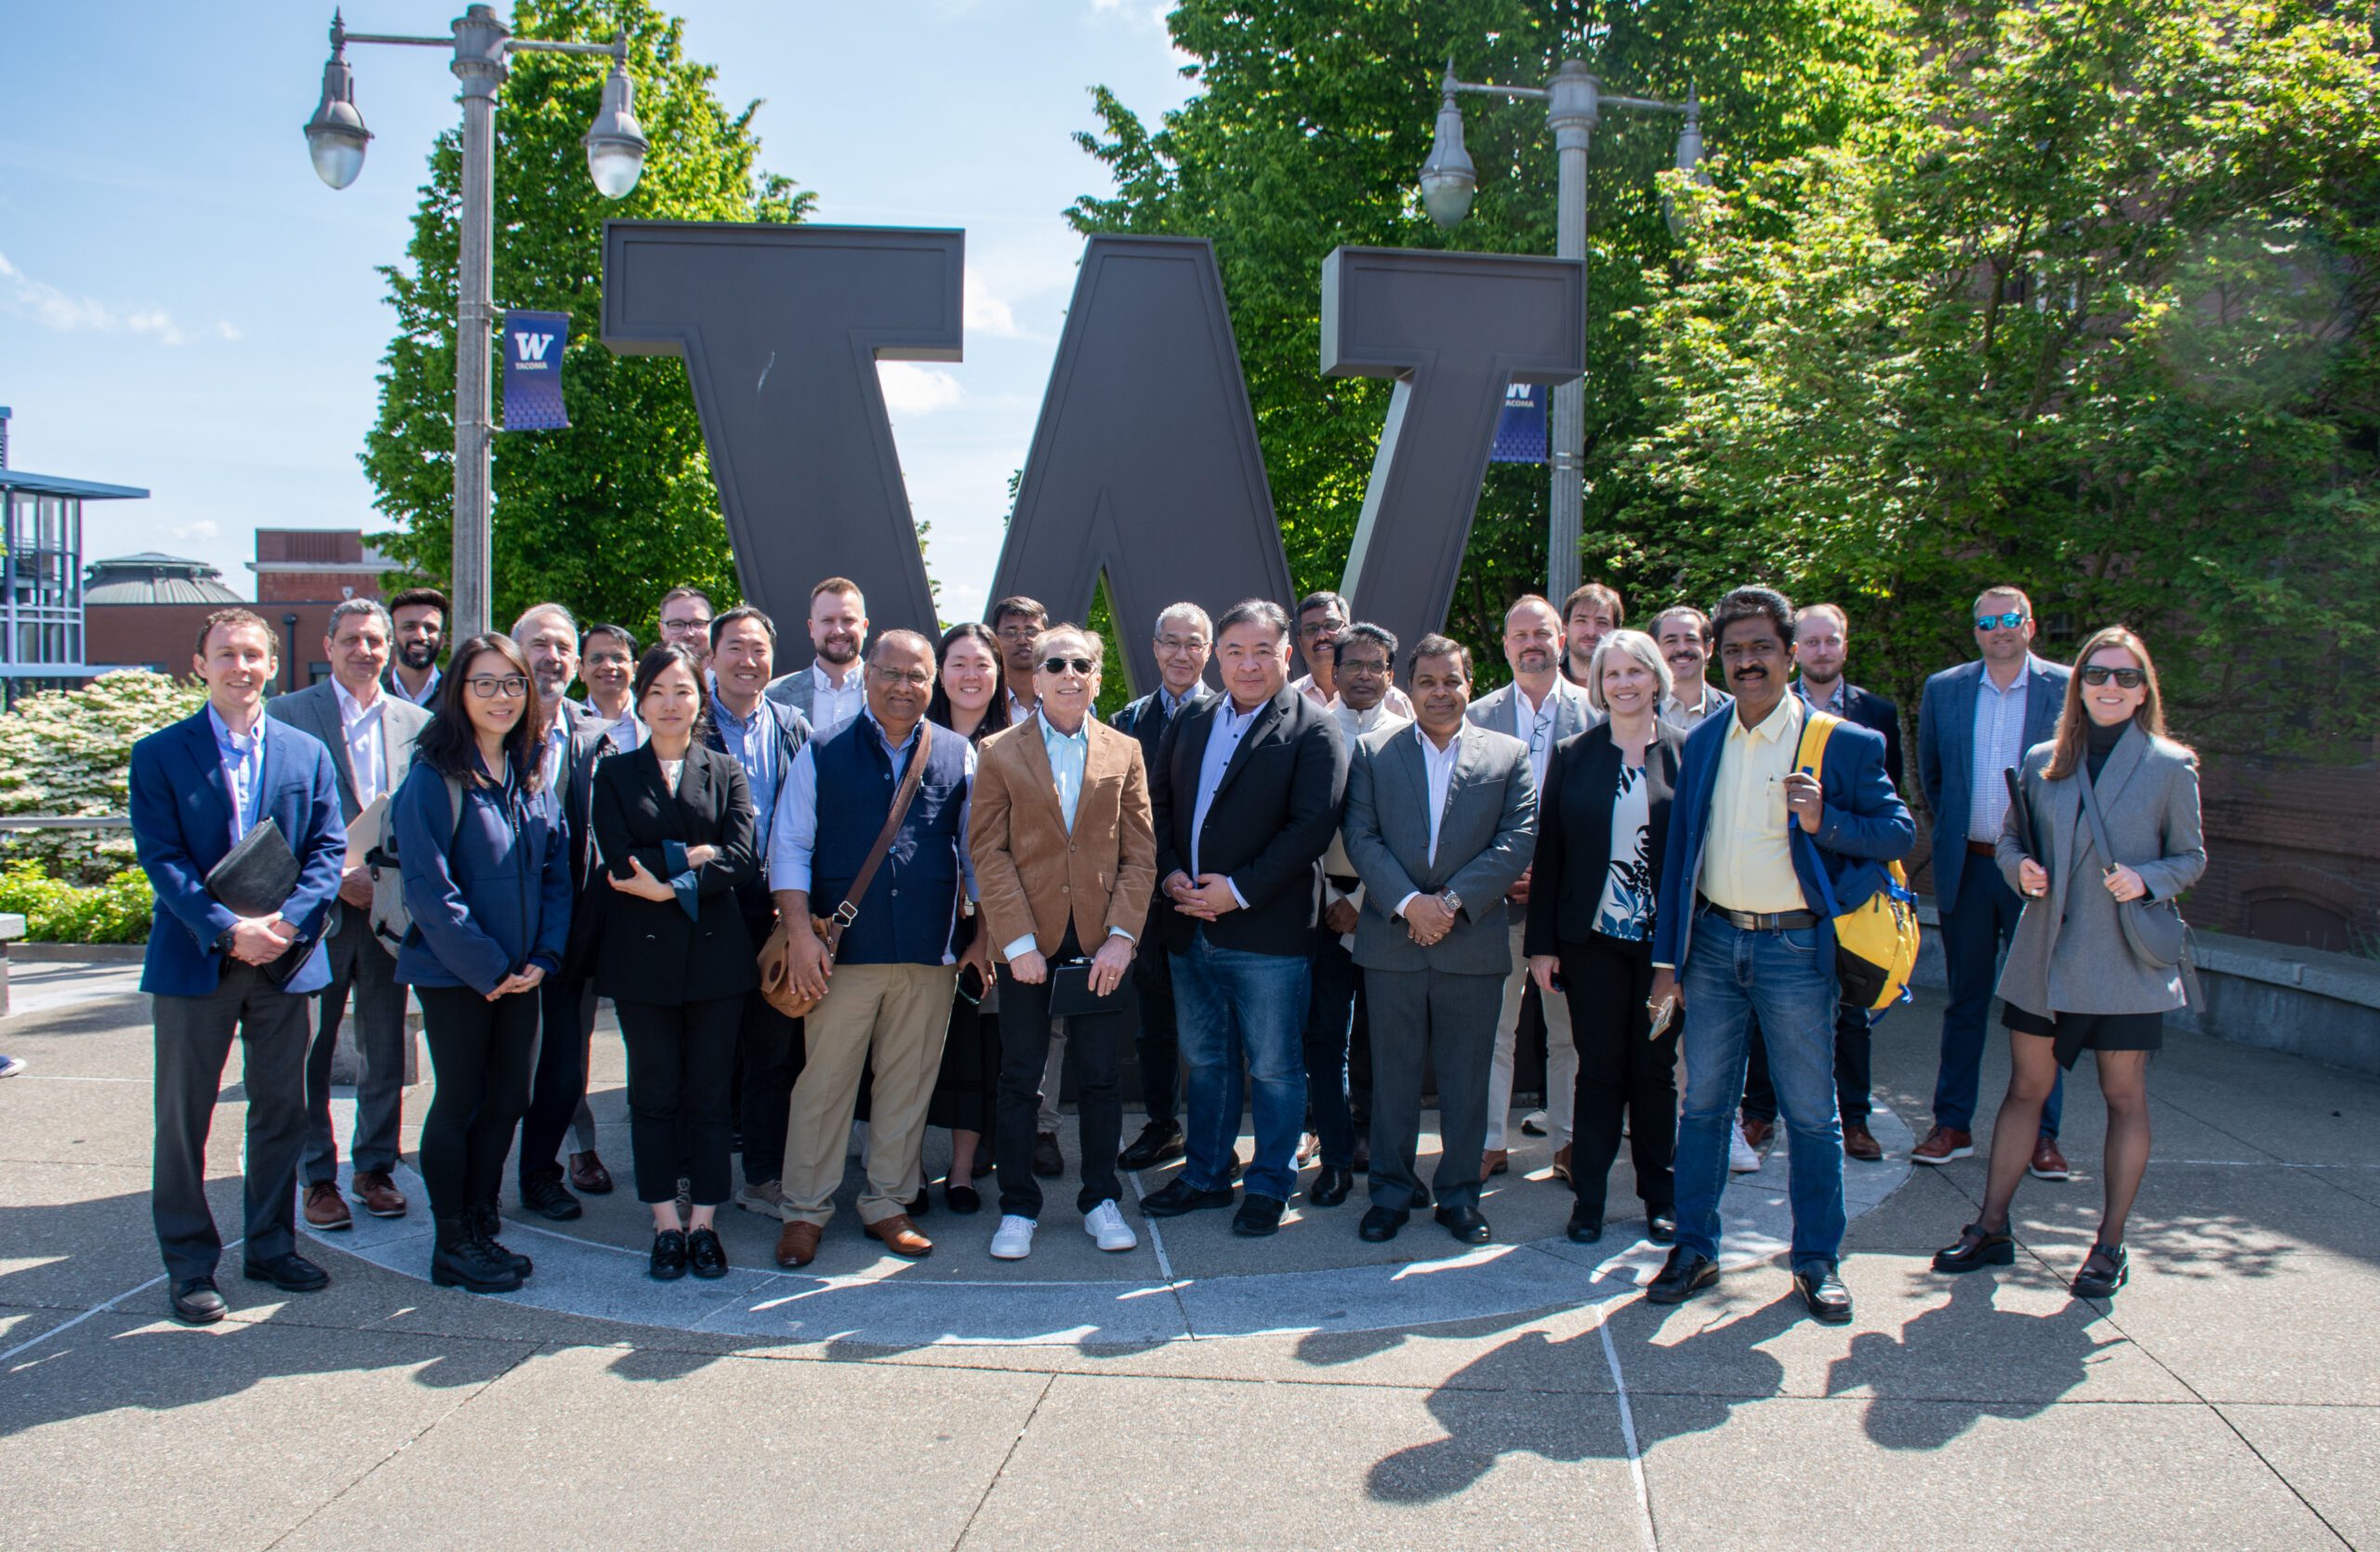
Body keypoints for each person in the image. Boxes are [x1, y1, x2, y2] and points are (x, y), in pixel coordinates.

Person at [1644, 587, 1913, 1325]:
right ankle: (1695, 1248)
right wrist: (1669, 961)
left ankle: (1817, 1261)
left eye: (1761, 647)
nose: (1746, 662)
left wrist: (1826, 818)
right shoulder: (1701, 741)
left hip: (1798, 947)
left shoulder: (1843, 742)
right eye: (1733, 650)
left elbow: (1897, 833)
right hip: (1715, 942)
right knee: (1703, 1108)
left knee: (1809, 1113)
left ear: (1791, 654)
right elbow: (1680, 862)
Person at [1934, 627, 2203, 1298]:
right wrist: (2019, 866)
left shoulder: (2171, 765)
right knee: (2025, 1089)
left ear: (2145, 690)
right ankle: (1992, 1226)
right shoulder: (2044, 758)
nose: (2111, 687)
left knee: (2123, 1096)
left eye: (2127, 676)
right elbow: (2012, 836)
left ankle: (2109, 1245)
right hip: (2045, 953)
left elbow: (2191, 858)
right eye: (2098, 674)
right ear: (2079, 683)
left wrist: (2145, 879)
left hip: (2123, 962)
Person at [132, 609, 348, 1324]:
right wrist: (229, 929)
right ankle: (191, 1264)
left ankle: (271, 1244)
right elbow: (162, 860)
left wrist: (286, 925)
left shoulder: (304, 753)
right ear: (200, 664)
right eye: (226, 654)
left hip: (286, 963)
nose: (241, 666)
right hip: (198, 961)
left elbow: (326, 848)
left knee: (283, 1109)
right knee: (184, 1117)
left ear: (271, 663)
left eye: (253, 654)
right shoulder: (159, 753)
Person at [767, 630, 989, 1267]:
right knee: (825, 1084)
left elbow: (976, 855)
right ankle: (805, 1212)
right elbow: (789, 847)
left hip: (929, 950)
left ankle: (888, 1204)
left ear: (933, 683)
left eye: (917, 676)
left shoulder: (957, 753)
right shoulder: (824, 750)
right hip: (842, 954)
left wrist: (981, 939)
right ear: (867, 676)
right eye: (890, 673)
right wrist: (801, 935)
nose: (903, 686)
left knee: (908, 1083)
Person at [1140, 600, 1349, 1238]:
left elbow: (1311, 827)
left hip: (1267, 932)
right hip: (1188, 922)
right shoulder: (1193, 719)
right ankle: (1205, 1174)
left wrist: (1239, 890)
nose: (1248, 663)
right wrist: (1170, 869)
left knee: (1275, 1066)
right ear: (1217, 656)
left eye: (1263, 650)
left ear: (1286, 654)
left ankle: (1269, 1183)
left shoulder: (1314, 728)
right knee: (1205, 1060)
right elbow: (1160, 801)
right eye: (1235, 650)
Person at [393, 631, 572, 1295]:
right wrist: (490, 968)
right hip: (458, 974)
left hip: (525, 973)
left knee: (510, 1098)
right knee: (462, 1100)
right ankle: (452, 1241)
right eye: (485, 683)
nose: (502, 697)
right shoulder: (433, 777)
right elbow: (430, 891)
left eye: (513, 683)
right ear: (457, 692)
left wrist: (544, 957)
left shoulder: (529, 772)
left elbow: (556, 871)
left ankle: (479, 1217)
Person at [1341, 634, 1534, 1245]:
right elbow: (1362, 836)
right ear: (1409, 685)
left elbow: (1516, 839)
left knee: (1465, 1080)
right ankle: (1392, 1194)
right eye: (1427, 682)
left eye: (1451, 680)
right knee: (1392, 1079)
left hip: (1470, 942)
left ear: (1469, 683)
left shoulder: (1508, 754)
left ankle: (1458, 1196)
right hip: (1392, 942)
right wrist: (1410, 904)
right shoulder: (1374, 751)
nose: (1440, 692)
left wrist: (1446, 904)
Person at [975, 624, 1157, 1260]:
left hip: (1101, 943)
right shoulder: (999, 751)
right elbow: (988, 852)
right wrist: (1017, 941)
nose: (1069, 673)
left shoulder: (1124, 751)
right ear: (1035, 677)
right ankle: (1019, 1205)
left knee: (1102, 1077)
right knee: (1021, 1077)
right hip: (1028, 943)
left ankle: (1101, 1198)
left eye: (1082, 663)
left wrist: (1121, 939)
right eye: (1055, 663)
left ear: (1098, 676)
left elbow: (1140, 855)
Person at [592, 642, 761, 1281]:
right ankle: (665, 1222)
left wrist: (671, 883)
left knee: (712, 1095)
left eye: (683, 690)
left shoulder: (725, 769)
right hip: (643, 963)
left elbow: (743, 856)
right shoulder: (613, 774)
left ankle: (705, 1224)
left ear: (700, 699)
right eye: (658, 690)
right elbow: (618, 858)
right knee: (655, 1092)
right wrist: (694, 855)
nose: (671, 702)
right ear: (640, 699)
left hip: (719, 964)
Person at [266, 598, 431, 1231]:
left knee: (386, 1048)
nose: (365, 650)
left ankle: (375, 1167)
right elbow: (274, 817)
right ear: (330, 645)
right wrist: (336, 879)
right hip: (320, 911)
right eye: (352, 639)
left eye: (375, 640)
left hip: (390, 910)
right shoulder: (288, 715)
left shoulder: (416, 722)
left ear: (388, 649)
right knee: (312, 1047)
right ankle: (317, 1176)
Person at [1525, 630, 1688, 1245]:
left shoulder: (1686, 752)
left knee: (1654, 1069)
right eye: (1611, 673)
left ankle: (1660, 1197)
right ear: (1598, 683)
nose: (1623, 683)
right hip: (1591, 941)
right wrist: (1542, 943)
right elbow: (1553, 852)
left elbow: (1697, 858)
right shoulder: (1573, 752)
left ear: (1655, 678)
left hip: (1663, 948)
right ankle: (1589, 1199)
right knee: (1598, 1071)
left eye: (1634, 672)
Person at [1914, 587, 2072, 1176]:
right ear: (1975, 630)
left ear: (2029, 625)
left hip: (2037, 873)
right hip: (1971, 868)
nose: (1998, 630)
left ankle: (2041, 1134)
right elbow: (1933, 777)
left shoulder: (2065, 687)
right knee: (1965, 1002)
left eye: (2010, 620)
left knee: (2042, 1008)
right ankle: (1951, 1123)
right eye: (1987, 622)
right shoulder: (1945, 689)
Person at [1739, 603, 1905, 1162]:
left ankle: (1854, 1119)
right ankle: (1758, 1112)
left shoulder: (1867, 725)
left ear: (1844, 645)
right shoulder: (1742, 722)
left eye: (1830, 640)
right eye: (1811, 642)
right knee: (1764, 1020)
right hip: (1769, 905)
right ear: (1794, 651)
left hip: (1840, 907)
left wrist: (1825, 822)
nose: (1821, 650)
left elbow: (1894, 828)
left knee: (1850, 1018)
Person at [1465, 595, 1598, 1181]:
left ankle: (1567, 1142)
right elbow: (1463, 813)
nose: (1531, 644)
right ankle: (1490, 1141)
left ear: (1562, 639)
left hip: (1568, 903)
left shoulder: (1596, 714)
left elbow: (1601, 817)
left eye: (1541, 632)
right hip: (1499, 900)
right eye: (1518, 634)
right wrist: (1504, 873)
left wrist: (1552, 874)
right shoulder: (1477, 715)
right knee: (1493, 1026)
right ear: (1505, 646)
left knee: (1569, 1028)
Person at [703, 605, 815, 1220]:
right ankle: (699, 1173)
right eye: (735, 648)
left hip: (778, 911)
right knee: (709, 1048)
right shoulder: (688, 723)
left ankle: (763, 1176)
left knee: (774, 1049)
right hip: (708, 910)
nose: (748, 661)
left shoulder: (793, 724)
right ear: (712, 657)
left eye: (759, 649)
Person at [1107, 603, 1215, 1172]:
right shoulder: (1125, 722)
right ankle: (1162, 1125)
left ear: (1208, 650)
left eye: (1192, 643)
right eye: (1170, 642)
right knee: (1154, 1027)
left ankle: (1211, 1136)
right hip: (1145, 900)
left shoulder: (1230, 716)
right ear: (1153, 648)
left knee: (1214, 1030)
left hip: (1210, 898)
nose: (1180, 654)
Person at [509, 603, 607, 1220]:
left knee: (562, 1068)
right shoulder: (485, 725)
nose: (552, 656)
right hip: (499, 930)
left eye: (563, 646)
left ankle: (540, 1172)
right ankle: (472, 1189)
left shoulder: (598, 735)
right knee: (495, 1073)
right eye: (539, 644)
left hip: (574, 930)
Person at [1309, 622, 1408, 1193]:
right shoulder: (1312, 731)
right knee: (1325, 1035)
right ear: (1335, 671)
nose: (1364, 675)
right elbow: (1299, 826)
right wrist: (1331, 898)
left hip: (1387, 905)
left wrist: (1361, 899)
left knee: (1382, 1034)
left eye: (1376, 666)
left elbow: (1414, 838)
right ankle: (1336, 1154)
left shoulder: (1409, 736)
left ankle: (1380, 1141)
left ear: (1390, 675)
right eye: (1353, 665)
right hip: (1318, 906)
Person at [923, 622, 1012, 1209]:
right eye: (958, 663)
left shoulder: (1016, 742)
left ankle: (961, 1170)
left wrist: (986, 934)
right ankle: (903, 1169)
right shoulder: (915, 739)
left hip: (995, 921)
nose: (971, 675)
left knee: (976, 1050)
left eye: (983, 663)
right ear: (939, 672)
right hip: (924, 920)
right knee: (913, 1048)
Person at [764, 577, 869, 738]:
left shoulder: (888, 689)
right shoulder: (774, 696)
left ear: (864, 627)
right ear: (812, 628)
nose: (839, 630)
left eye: (848, 620)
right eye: (828, 620)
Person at [1289, 590, 1413, 718]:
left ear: (1348, 630)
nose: (1321, 636)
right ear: (1299, 641)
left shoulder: (1392, 702)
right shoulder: (1289, 700)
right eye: (1311, 629)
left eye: (1331, 625)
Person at [1653, 605, 1732, 728]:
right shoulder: (1638, 710)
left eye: (1691, 640)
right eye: (1671, 641)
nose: (1682, 648)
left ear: (1708, 648)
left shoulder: (1733, 710)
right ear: (1655, 650)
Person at [579, 623, 646, 753]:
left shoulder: (655, 720)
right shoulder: (569, 723)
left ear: (635, 669)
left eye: (618, 658)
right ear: (581, 671)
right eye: (596, 659)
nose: (609, 666)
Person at [988, 595, 1051, 727]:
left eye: (1031, 631)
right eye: (1011, 632)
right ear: (995, 639)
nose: (1022, 640)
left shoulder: (1067, 697)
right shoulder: (983, 700)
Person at [385, 587, 447, 708]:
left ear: (442, 640)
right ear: (391, 637)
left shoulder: (460, 698)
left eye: (430, 629)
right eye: (410, 627)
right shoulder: (374, 699)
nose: (420, 636)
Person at [1560, 582, 1624, 687]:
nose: (1591, 632)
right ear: (1566, 628)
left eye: (1602, 622)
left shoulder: (1626, 688)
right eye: (1581, 621)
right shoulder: (1547, 687)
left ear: (1616, 631)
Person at [656, 586, 715, 667]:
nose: (688, 634)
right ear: (662, 630)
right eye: (677, 624)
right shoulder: (647, 679)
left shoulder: (733, 679)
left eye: (698, 623)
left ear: (712, 627)